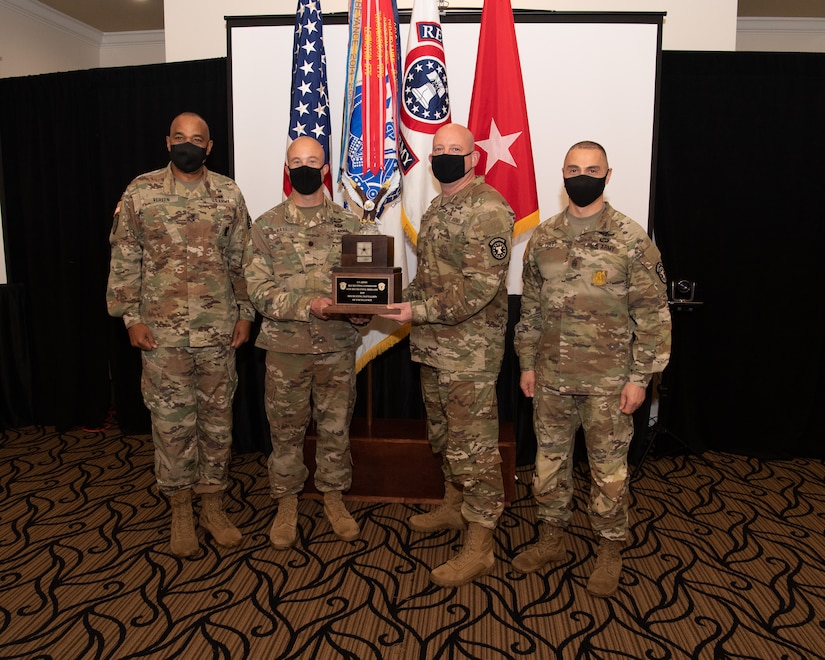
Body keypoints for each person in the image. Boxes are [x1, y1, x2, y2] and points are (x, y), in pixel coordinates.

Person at [513, 140, 672, 597]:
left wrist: (641, 378)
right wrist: (527, 364)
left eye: (591, 168)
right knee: (549, 465)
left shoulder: (630, 238)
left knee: (609, 472)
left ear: (607, 174)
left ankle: (610, 549)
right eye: (573, 168)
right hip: (551, 379)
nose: (581, 175)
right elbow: (532, 312)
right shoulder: (542, 238)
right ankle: (551, 538)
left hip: (609, 383)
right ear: (561, 174)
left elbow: (654, 315)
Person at [107, 111, 253, 558]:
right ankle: (180, 510)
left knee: (216, 423)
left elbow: (242, 259)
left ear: (210, 147)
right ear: (167, 141)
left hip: (217, 333)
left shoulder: (227, 192)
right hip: (162, 335)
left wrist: (246, 313)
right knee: (171, 426)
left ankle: (212, 504)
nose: (187, 144)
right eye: (179, 137)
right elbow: (125, 256)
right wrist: (131, 317)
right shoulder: (142, 191)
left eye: (197, 139)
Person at [378, 123, 515, 587]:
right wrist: (400, 299)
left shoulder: (489, 208)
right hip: (435, 346)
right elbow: (431, 277)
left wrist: (416, 309)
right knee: (444, 435)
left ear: (474, 158)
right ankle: (454, 506)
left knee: (473, 449)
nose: (445, 157)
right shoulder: (439, 207)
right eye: (438, 150)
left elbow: (480, 289)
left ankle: (481, 546)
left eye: (455, 150)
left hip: (469, 354)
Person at [244, 136, 368, 550]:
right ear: (287, 167)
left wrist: (362, 311)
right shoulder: (265, 227)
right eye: (296, 161)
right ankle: (286, 502)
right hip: (286, 350)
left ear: (326, 169)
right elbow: (259, 291)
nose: (304, 168)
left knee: (335, 428)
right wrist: (308, 304)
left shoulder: (353, 228)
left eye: (312, 161)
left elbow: (365, 289)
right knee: (285, 431)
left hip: (336, 348)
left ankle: (333, 497)